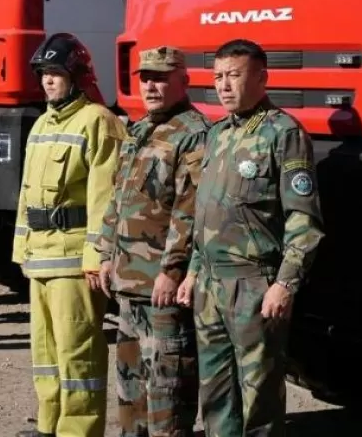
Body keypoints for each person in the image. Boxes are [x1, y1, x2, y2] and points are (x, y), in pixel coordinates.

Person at [176, 39, 326, 437]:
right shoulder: (218, 134)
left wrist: (284, 284)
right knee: (215, 394)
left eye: (234, 76)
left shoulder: (283, 133)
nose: (224, 86)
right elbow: (206, 214)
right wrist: (192, 272)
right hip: (210, 283)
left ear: (262, 77)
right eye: (218, 77)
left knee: (258, 397)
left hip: (253, 285)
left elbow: (303, 219)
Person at [11, 33, 124, 437]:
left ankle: (78, 430)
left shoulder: (98, 121)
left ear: (77, 76)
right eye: (44, 73)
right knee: (44, 350)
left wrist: (97, 256)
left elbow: (104, 198)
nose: (48, 81)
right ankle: (50, 424)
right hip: (40, 256)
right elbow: (26, 193)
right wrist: (20, 247)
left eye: (56, 73)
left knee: (77, 351)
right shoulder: (42, 122)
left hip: (74, 259)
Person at [96, 46, 208, 437]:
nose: (151, 85)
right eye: (145, 77)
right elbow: (119, 198)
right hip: (129, 284)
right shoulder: (141, 128)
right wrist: (106, 254)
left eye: (160, 77)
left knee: (167, 388)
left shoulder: (193, 134)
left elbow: (189, 212)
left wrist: (172, 270)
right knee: (131, 388)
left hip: (161, 288)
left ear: (184, 80)